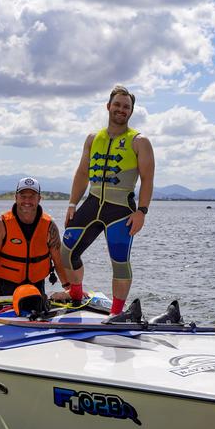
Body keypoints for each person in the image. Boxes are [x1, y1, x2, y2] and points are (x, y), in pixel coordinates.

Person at [61, 85, 155, 316]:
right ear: (108, 106)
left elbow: (147, 178)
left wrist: (141, 211)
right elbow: (82, 173)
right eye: (117, 105)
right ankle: (76, 294)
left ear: (131, 111)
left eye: (126, 107)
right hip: (91, 203)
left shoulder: (139, 141)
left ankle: (116, 313)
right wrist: (73, 203)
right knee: (66, 252)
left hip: (121, 210)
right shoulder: (93, 138)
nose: (121, 110)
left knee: (119, 262)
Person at [0, 177, 70, 302]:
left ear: (39, 199)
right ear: (16, 198)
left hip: (36, 286)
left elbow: (58, 260)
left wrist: (68, 287)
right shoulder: (1, 225)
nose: (27, 200)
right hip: (5, 288)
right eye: (23, 196)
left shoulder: (49, 226)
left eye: (32, 196)